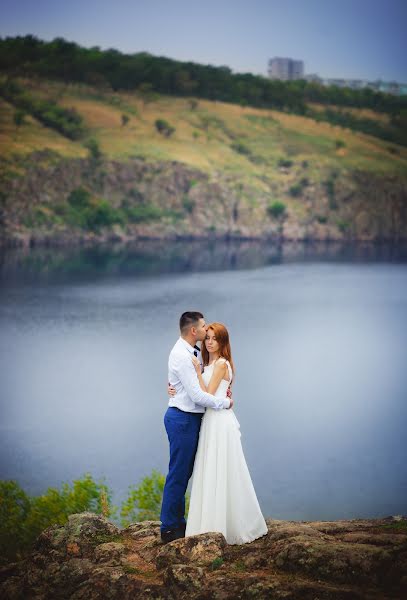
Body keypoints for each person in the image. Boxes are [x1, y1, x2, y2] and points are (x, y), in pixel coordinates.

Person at [184, 322, 268, 544]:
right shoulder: (209, 363)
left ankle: (228, 524)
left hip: (220, 421)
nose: (210, 342)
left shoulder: (221, 363)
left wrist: (195, 371)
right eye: (207, 338)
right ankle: (212, 522)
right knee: (212, 468)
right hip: (211, 420)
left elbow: (207, 393)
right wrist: (173, 388)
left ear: (222, 342)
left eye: (214, 338)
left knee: (224, 468)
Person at [160, 311, 234, 544]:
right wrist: (225, 403)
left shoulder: (192, 352)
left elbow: (188, 382)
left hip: (190, 418)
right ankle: (170, 528)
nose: (206, 331)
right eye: (203, 328)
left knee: (184, 474)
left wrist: (173, 387)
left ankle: (179, 523)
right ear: (194, 331)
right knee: (178, 475)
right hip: (182, 419)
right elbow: (198, 395)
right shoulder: (183, 355)